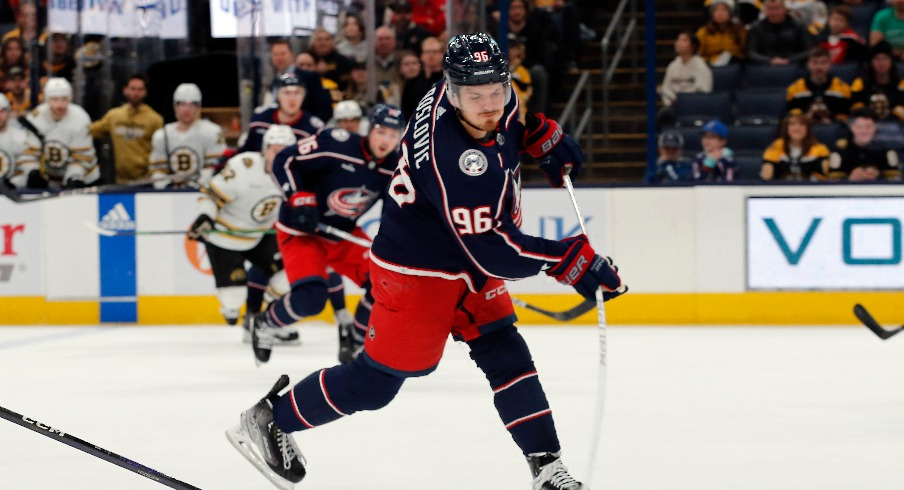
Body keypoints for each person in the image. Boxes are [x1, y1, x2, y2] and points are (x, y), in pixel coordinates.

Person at [227, 33, 626, 490]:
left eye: (497, 90)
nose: (491, 104)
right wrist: (570, 259)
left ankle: (546, 466)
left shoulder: (464, 91)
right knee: (377, 385)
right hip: (417, 272)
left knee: (507, 353)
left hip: (463, 260)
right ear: (453, 93)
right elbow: (496, 250)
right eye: (476, 97)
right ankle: (271, 419)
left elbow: (511, 118)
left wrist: (538, 134)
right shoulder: (454, 159)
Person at [243, 103, 405, 367]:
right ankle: (265, 322)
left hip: (342, 234)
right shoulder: (335, 142)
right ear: (369, 129)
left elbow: (393, 212)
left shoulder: (396, 167)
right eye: (380, 131)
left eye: (392, 134)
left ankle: (354, 341)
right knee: (311, 300)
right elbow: (285, 159)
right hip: (302, 233)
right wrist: (296, 196)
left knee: (385, 284)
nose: (386, 140)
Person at [187, 124, 299, 344]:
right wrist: (205, 217)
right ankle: (230, 305)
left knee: (292, 274)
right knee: (234, 298)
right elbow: (211, 195)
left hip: (259, 235)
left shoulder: (296, 174)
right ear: (265, 150)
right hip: (224, 237)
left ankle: (261, 319)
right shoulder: (244, 166)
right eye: (274, 150)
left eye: (285, 150)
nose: (279, 156)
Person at [16, 78, 97, 189]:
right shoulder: (35, 118)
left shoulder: (81, 118)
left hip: (83, 178)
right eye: (54, 99)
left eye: (64, 99)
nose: (60, 105)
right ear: (47, 99)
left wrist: (73, 177)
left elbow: (81, 157)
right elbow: (29, 153)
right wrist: (33, 172)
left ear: (70, 99)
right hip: (47, 179)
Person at [148, 83, 226, 189]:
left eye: (192, 104)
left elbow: (214, 167)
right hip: (170, 193)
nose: (187, 109)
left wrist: (196, 186)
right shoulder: (162, 135)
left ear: (199, 107)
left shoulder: (212, 131)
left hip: (202, 191)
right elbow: (158, 171)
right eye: (182, 104)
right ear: (175, 106)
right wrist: (166, 187)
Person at [89, 74, 163, 183]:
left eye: (140, 89)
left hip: (147, 180)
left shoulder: (155, 119)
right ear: (125, 90)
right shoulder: (114, 116)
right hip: (120, 181)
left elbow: (161, 151)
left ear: (145, 92)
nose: (136, 93)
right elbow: (90, 131)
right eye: (132, 89)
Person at [240, 73, 323, 154]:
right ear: (277, 96)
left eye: (297, 93)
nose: (292, 99)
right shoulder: (260, 119)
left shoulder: (313, 129)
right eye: (286, 93)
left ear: (304, 96)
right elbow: (246, 151)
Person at [828, 108, 900, 180]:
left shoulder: (886, 150)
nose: (864, 131)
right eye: (859, 127)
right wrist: (850, 179)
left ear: (875, 127)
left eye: (868, 127)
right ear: (852, 127)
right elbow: (832, 184)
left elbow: (896, 182)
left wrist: (878, 176)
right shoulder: (839, 151)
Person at [785, 47, 852, 124]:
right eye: (814, 62)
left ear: (830, 64)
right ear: (808, 64)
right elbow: (792, 117)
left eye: (823, 62)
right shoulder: (794, 89)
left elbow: (846, 117)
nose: (819, 67)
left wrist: (831, 121)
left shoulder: (843, 88)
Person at [760, 114, 830, 180]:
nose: (797, 128)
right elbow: (766, 176)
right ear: (786, 128)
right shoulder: (776, 146)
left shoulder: (820, 149)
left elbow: (826, 175)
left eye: (802, 124)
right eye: (792, 124)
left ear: (808, 129)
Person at [746, 0, 812, 65]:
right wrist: (769, 61)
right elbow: (751, 52)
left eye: (777, 8)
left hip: (794, 65)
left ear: (785, 9)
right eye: (770, 9)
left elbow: (809, 50)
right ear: (764, 10)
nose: (773, 12)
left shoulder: (799, 26)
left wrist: (789, 60)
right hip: (765, 66)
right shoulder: (756, 28)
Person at [850, 41, 904, 120]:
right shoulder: (859, 83)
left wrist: (892, 117)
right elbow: (855, 106)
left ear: (891, 62)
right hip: (866, 125)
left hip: (895, 126)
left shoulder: (901, 84)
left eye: (885, 58)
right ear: (871, 62)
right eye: (877, 59)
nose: (881, 63)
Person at [660, 31, 712, 108]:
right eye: (678, 40)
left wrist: (683, 101)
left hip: (695, 106)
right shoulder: (672, 66)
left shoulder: (701, 66)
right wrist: (668, 102)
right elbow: (666, 88)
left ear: (693, 46)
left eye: (684, 40)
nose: (679, 43)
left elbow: (704, 91)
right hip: (673, 106)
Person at [401, 36, 445, 119]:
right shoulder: (412, 83)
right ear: (422, 55)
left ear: (442, 54)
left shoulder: (448, 82)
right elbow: (406, 111)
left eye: (435, 52)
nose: (431, 55)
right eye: (428, 52)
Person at [696, 0, 747, 66]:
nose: (720, 13)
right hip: (711, 67)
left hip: (735, 67)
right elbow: (698, 55)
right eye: (716, 10)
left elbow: (745, 53)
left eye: (724, 9)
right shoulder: (703, 32)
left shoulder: (740, 31)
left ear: (730, 13)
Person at [0, 93, 32, 187]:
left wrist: (13, 183)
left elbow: (26, 170)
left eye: (2, 111)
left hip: (14, 192)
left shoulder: (21, 138)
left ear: (9, 112)